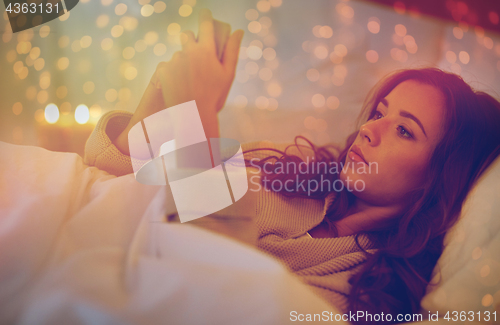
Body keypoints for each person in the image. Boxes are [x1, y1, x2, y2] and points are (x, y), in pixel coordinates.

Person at [83, 9, 500, 323]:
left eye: (405, 131)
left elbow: (220, 295)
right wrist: (162, 91)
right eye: (379, 114)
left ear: (439, 178)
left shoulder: (364, 295)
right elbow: (109, 168)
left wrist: (197, 113)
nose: (370, 131)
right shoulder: (284, 162)